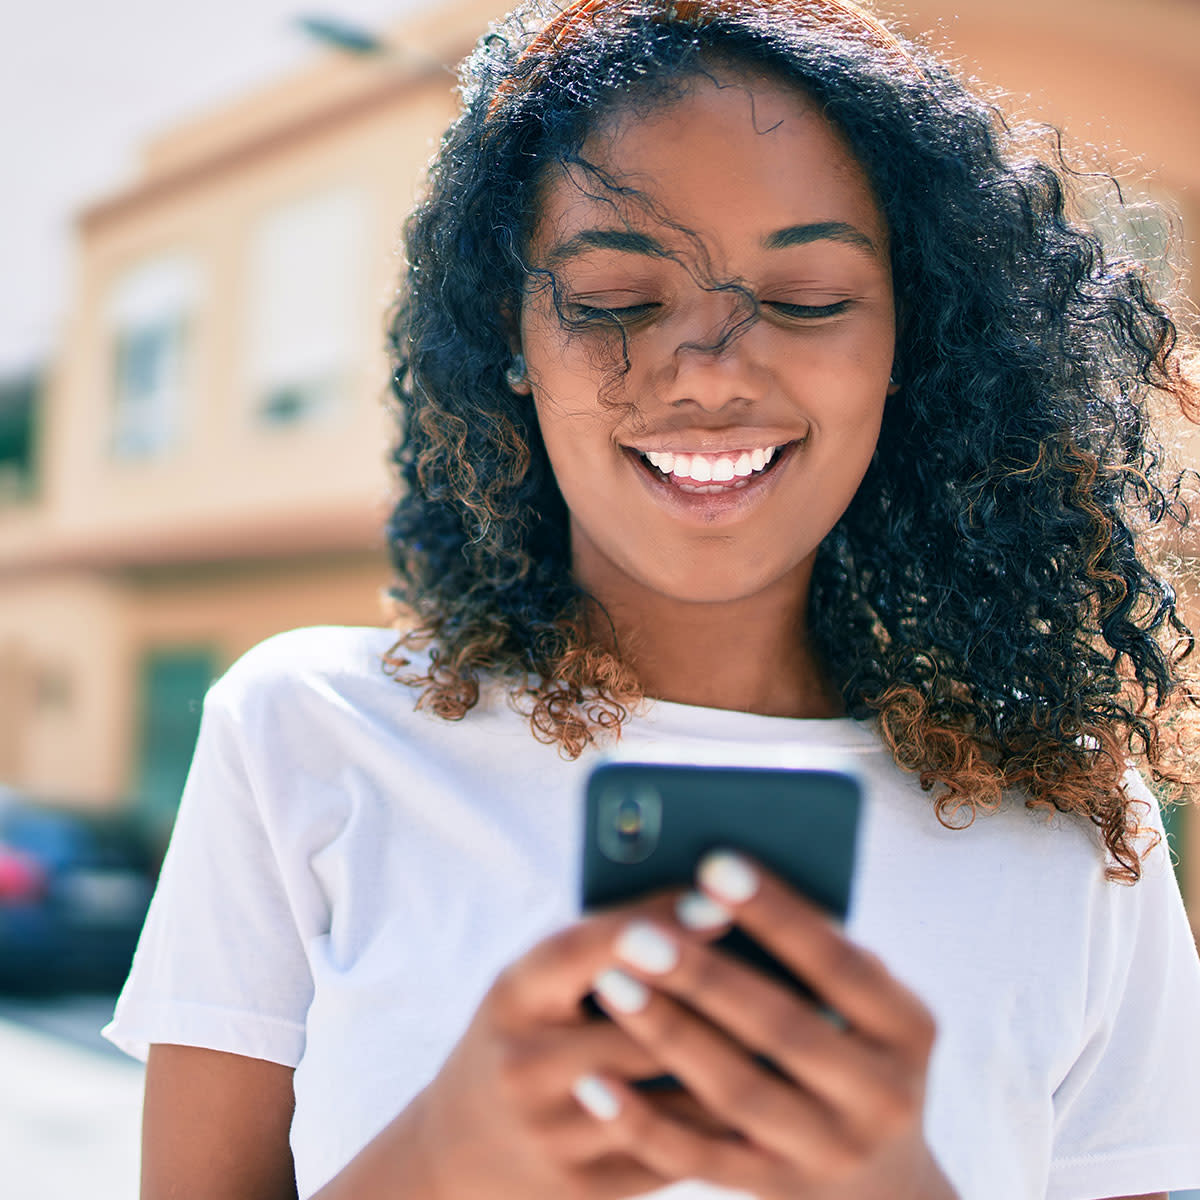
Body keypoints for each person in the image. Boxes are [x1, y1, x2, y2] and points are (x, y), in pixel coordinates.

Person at [103, 0, 1200, 1197]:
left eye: (810, 299)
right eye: (616, 302)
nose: (712, 374)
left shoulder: (1076, 818)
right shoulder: (303, 732)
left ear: (908, 344)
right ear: (509, 338)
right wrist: (444, 1160)